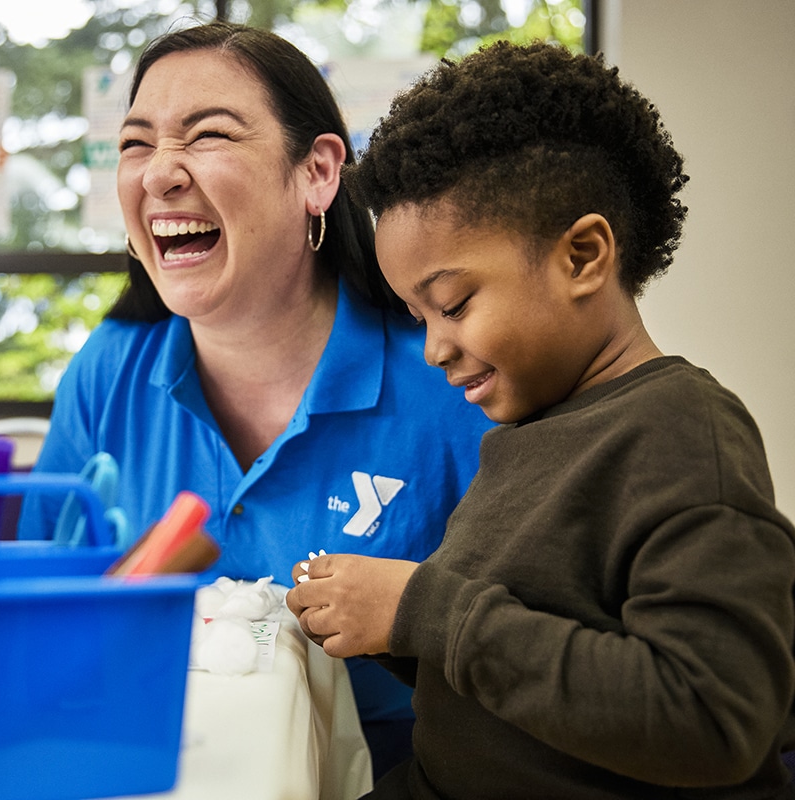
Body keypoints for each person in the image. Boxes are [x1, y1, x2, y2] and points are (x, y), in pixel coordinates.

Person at [286, 40, 795, 798]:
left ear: (584, 256)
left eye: (454, 304)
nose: (433, 348)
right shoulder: (526, 437)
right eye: (417, 316)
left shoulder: (683, 431)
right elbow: (524, 658)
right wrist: (388, 626)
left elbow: (711, 720)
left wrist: (424, 609)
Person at [16, 21, 492, 775]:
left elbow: (522, 652)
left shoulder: (448, 378)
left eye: (207, 135)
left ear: (318, 174)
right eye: (136, 143)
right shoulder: (108, 370)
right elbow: (40, 601)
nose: (159, 175)